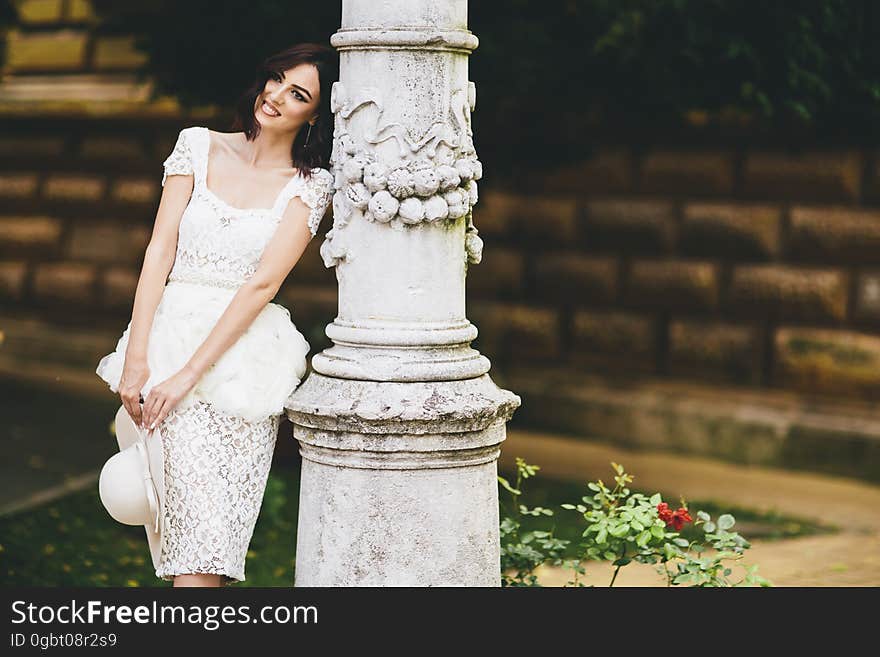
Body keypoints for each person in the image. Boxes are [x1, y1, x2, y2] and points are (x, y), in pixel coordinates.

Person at [95, 43, 337, 587]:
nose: (275, 96)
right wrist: (137, 356)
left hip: (238, 367)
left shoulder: (310, 184)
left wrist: (188, 376)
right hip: (162, 344)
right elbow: (159, 251)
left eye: (297, 93)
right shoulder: (197, 147)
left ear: (315, 115)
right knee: (177, 541)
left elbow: (263, 283)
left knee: (208, 553)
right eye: (276, 79)